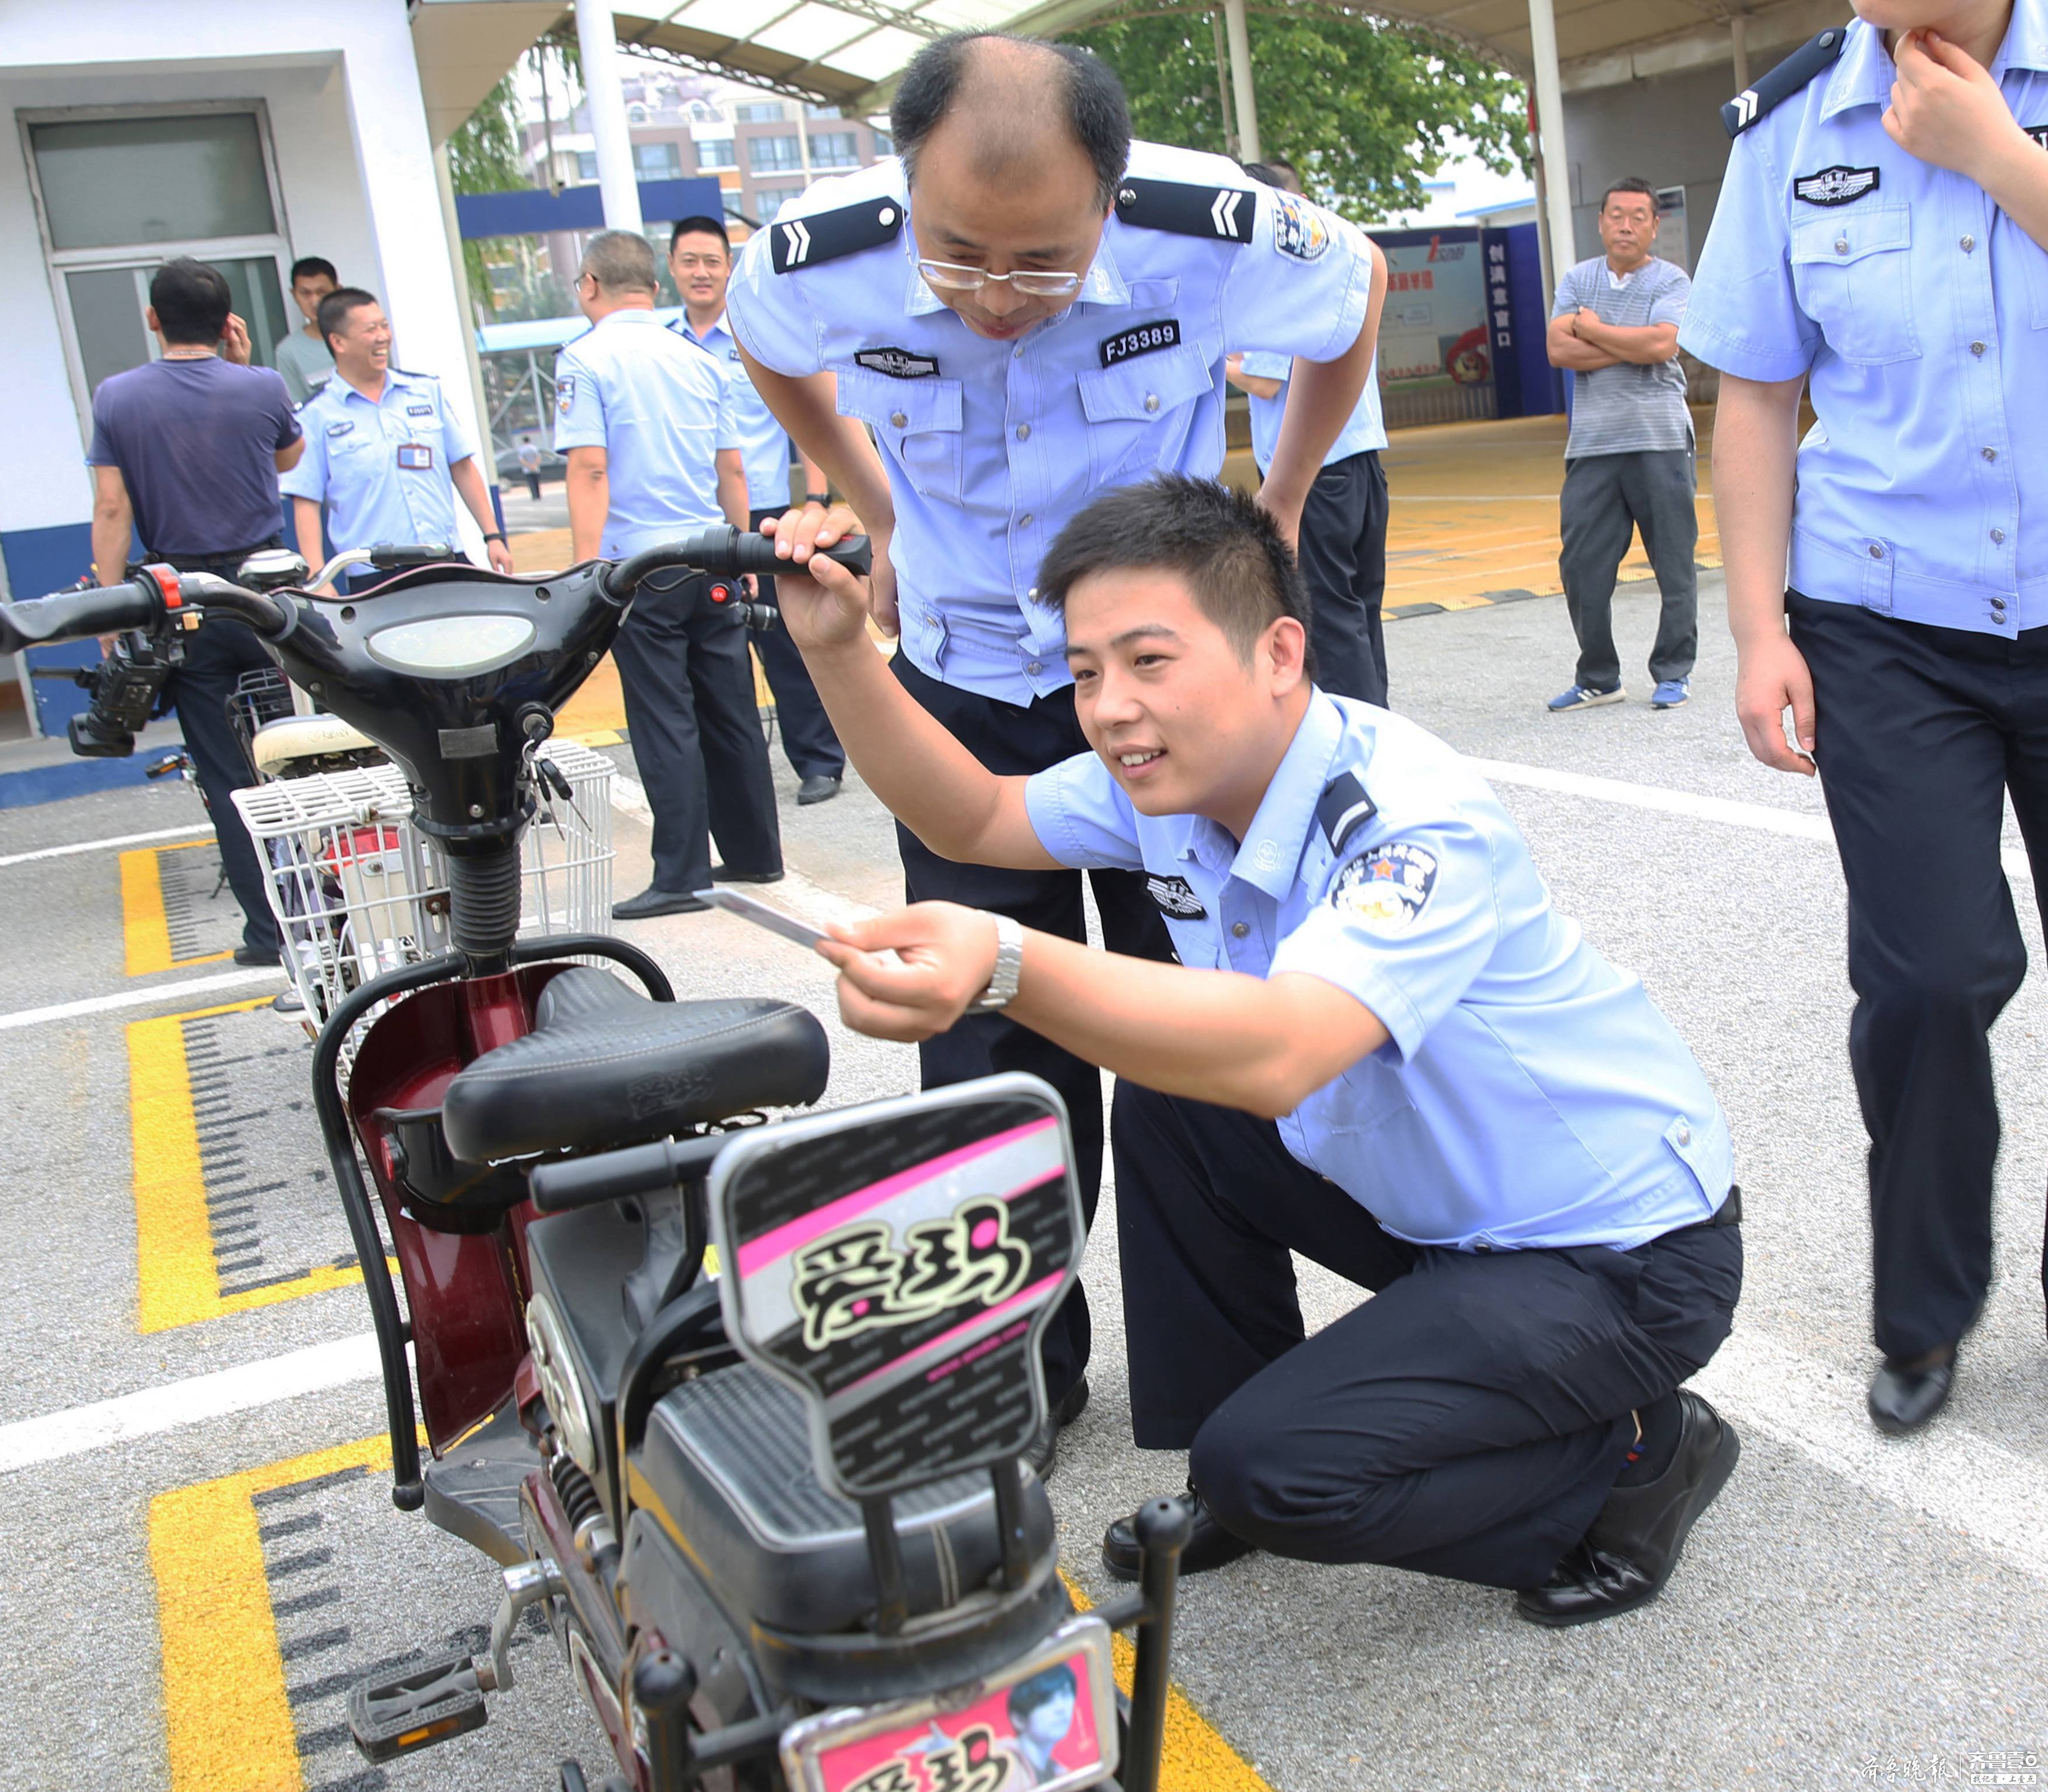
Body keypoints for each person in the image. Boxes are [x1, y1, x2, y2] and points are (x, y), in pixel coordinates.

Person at [770, 475, 1745, 1627]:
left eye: (1148, 661)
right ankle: (1229, 1446)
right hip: (1453, 1217)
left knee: (1280, 1473)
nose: (1109, 707)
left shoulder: (1405, 819)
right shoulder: (1174, 783)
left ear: (1278, 653)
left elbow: (1283, 1052)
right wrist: (838, 649)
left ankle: (1634, 1459)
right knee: (1173, 1104)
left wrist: (1006, 963)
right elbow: (973, 818)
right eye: (1084, 673)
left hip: (1618, 1254)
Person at [727, 30, 1386, 1445]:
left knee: (1185, 1015)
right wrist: (873, 501)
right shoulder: (816, 256)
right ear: (906, 184)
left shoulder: (1205, 227)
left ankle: (1223, 1389)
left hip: (1152, 686)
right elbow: (766, 344)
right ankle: (1014, 1367)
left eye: (1041, 264)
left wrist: (1279, 497)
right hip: (962, 671)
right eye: (958, 256)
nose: (994, 301)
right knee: (979, 1025)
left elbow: (1354, 294)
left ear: (1110, 193)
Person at [1680, 0, 2048, 1435]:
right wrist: (1757, 629)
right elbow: (1756, 395)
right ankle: (1923, 1308)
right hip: (1884, 618)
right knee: (1927, 979)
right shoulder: (1789, 129)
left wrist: (1997, 155)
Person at [555, 230, 781, 919]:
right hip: (709, 554)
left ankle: (680, 875)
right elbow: (731, 467)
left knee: (663, 718)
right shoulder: (698, 359)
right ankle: (755, 852)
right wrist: (739, 551)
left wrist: (585, 570)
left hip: (640, 566)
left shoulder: (584, 359)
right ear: (653, 287)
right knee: (730, 708)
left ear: (589, 285)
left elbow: (590, 468)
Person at [86, 258, 300, 967]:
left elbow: (112, 508)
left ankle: (269, 933)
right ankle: (326, 913)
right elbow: (286, 458)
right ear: (227, 321)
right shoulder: (261, 384)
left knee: (226, 771)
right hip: (267, 593)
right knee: (297, 753)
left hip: (184, 599)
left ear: (153, 318)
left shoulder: (117, 397)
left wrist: (110, 614)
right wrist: (241, 368)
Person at [668, 213, 847, 805]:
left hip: (765, 513)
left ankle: (819, 760)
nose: (701, 272)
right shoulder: (667, 347)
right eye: (690, 261)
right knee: (716, 650)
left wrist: (816, 497)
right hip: (698, 513)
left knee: (784, 641)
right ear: (672, 268)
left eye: (711, 261)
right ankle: (736, 775)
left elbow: (807, 421)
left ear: (728, 267)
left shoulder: (758, 333)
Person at [1223, 159, 1394, 706]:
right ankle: (1378, 722)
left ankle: (1355, 730)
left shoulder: (1285, 278)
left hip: (1316, 471)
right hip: (1360, 463)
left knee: (1328, 611)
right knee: (1360, 606)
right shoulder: (1334, 261)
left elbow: (1265, 380)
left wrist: (1218, 356)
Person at [1543, 177, 1701, 714]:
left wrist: (1592, 329)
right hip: (1593, 444)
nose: (1626, 226)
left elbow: (1663, 343)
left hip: (1659, 439)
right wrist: (1631, 344)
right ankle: (1599, 676)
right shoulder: (1578, 280)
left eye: (1638, 217)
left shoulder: (1671, 279)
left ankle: (1674, 671)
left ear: (1655, 225)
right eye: (1616, 215)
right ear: (1601, 222)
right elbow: (1558, 350)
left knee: (1674, 564)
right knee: (1581, 567)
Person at [280, 287, 511, 591]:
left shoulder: (425, 392)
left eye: (384, 326)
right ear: (338, 342)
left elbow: (462, 467)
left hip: (445, 558)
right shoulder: (315, 416)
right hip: (375, 575)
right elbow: (306, 502)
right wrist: (318, 578)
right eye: (370, 330)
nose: (383, 337)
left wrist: (493, 537)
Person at [275, 256, 339, 406]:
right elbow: (299, 409)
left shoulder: (362, 334)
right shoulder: (288, 351)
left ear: (338, 290)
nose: (315, 302)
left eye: (322, 292)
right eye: (305, 293)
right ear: (294, 295)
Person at [516, 432, 543, 500]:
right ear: (529, 440)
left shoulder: (521, 449)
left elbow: (521, 460)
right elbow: (539, 457)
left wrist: (529, 466)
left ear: (523, 441)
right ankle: (538, 495)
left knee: (531, 483)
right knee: (537, 482)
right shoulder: (534, 448)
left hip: (527, 470)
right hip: (536, 469)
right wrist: (535, 465)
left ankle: (534, 496)